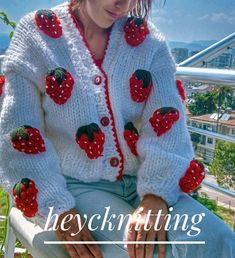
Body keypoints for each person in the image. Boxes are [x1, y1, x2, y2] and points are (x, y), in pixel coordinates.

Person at [0, 0, 234, 257]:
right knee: (147, 253)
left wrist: (157, 195)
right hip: (72, 187)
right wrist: (57, 207)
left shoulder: (149, 43)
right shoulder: (36, 35)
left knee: (219, 239)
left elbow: (168, 124)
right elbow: (18, 131)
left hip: (144, 179)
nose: (124, 4)